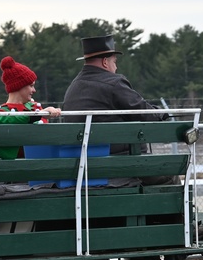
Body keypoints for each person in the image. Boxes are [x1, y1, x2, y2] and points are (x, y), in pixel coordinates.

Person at [62, 34, 177, 186]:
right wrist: (162, 113)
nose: (116, 67)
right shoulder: (113, 82)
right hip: (119, 163)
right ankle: (177, 210)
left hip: (82, 164)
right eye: (114, 62)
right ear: (105, 62)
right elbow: (143, 112)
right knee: (169, 174)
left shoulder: (74, 86)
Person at [0, 55, 51, 160]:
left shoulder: (35, 107)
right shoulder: (3, 114)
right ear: (20, 86)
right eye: (31, 86)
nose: (34, 90)